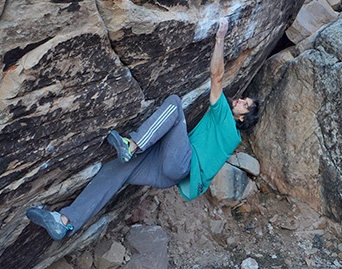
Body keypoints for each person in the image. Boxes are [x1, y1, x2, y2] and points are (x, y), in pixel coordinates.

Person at [26, 18, 260, 240]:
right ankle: (65, 221)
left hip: (182, 162)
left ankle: (132, 144)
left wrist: (220, 38)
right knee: (115, 170)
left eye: (245, 105)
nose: (239, 100)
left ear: (242, 119)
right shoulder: (227, 132)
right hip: (169, 172)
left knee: (175, 106)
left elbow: (216, 77)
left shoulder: (228, 123)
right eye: (243, 99)